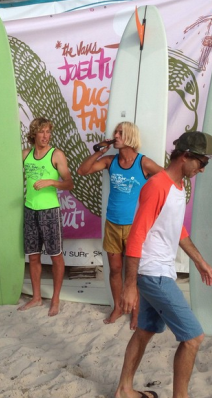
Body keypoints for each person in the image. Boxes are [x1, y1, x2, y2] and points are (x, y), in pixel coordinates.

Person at [115, 131, 212, 398]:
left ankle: (124, 390)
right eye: (201, 162)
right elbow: (136, 235)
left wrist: (199, 261)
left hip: (161, 271)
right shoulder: (157, 185)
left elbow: (178, 229)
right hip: (153, 274)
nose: (203, 169)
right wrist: (130, 285)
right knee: (193, 338)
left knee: (145, 331)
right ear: (185, 156)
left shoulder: (178, 186)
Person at [77, 122, 162, 328]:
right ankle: (117, 306)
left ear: (130, 137)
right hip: (112, 223)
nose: (115, 135)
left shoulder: (144, 163)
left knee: (135, 273)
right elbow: (82, 171)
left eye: (120, 133)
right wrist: (99, 151)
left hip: (135, 226)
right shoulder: (109, 161)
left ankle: (136, 311)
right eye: (115, 132)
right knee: (115, 269)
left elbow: (166, 181)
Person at [19, 117, 74, 317]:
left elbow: (69, 183)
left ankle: (56, 299)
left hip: (50, 210)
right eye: (42, 132)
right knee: (33, 256)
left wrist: (52, 181)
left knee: (55, 255)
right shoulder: (25, 154)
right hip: (29, 209)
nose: (46, 136)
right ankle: (36, 297)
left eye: (48, 132)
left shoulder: (56, 154)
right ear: (34, 133)